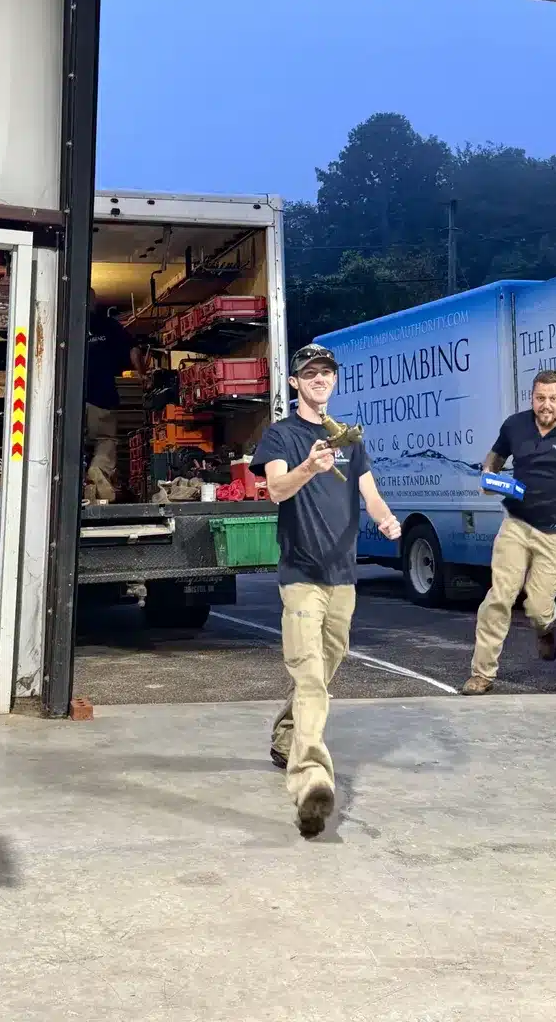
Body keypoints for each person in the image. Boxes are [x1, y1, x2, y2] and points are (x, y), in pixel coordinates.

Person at [250, 343, 401, 838]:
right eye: (310, 373)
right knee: (311, 676)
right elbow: (275, 490)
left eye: (326, 373)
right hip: (301, 576)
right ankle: (311, 781)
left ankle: (287, 732)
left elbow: (370, 492)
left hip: (343, 578)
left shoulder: (348, 438)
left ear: (334, 381)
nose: (319, 380)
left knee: (327, 666)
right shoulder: (281, 436)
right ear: (294, 383)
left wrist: (386, 520)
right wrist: (307, 469)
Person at [462, 369, 556, 696]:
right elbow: (496, 455)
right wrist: (489, 473)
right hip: (517, 524)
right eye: (540, 398)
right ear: (532, 397)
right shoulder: (515, 426)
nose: (546, 405)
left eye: (553, 398)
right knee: (499, 597)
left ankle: (544, 626)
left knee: (537, 605)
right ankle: (482, 674)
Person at [84, 289, 143, 502]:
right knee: (105, 439)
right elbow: (133, 349)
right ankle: (98, 469)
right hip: (101, 396)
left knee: (70, 442)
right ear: (93, 302)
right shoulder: (108, 325)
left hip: (68, 400)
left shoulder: (64, 322)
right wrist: (140, 375)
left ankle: (74, 483)